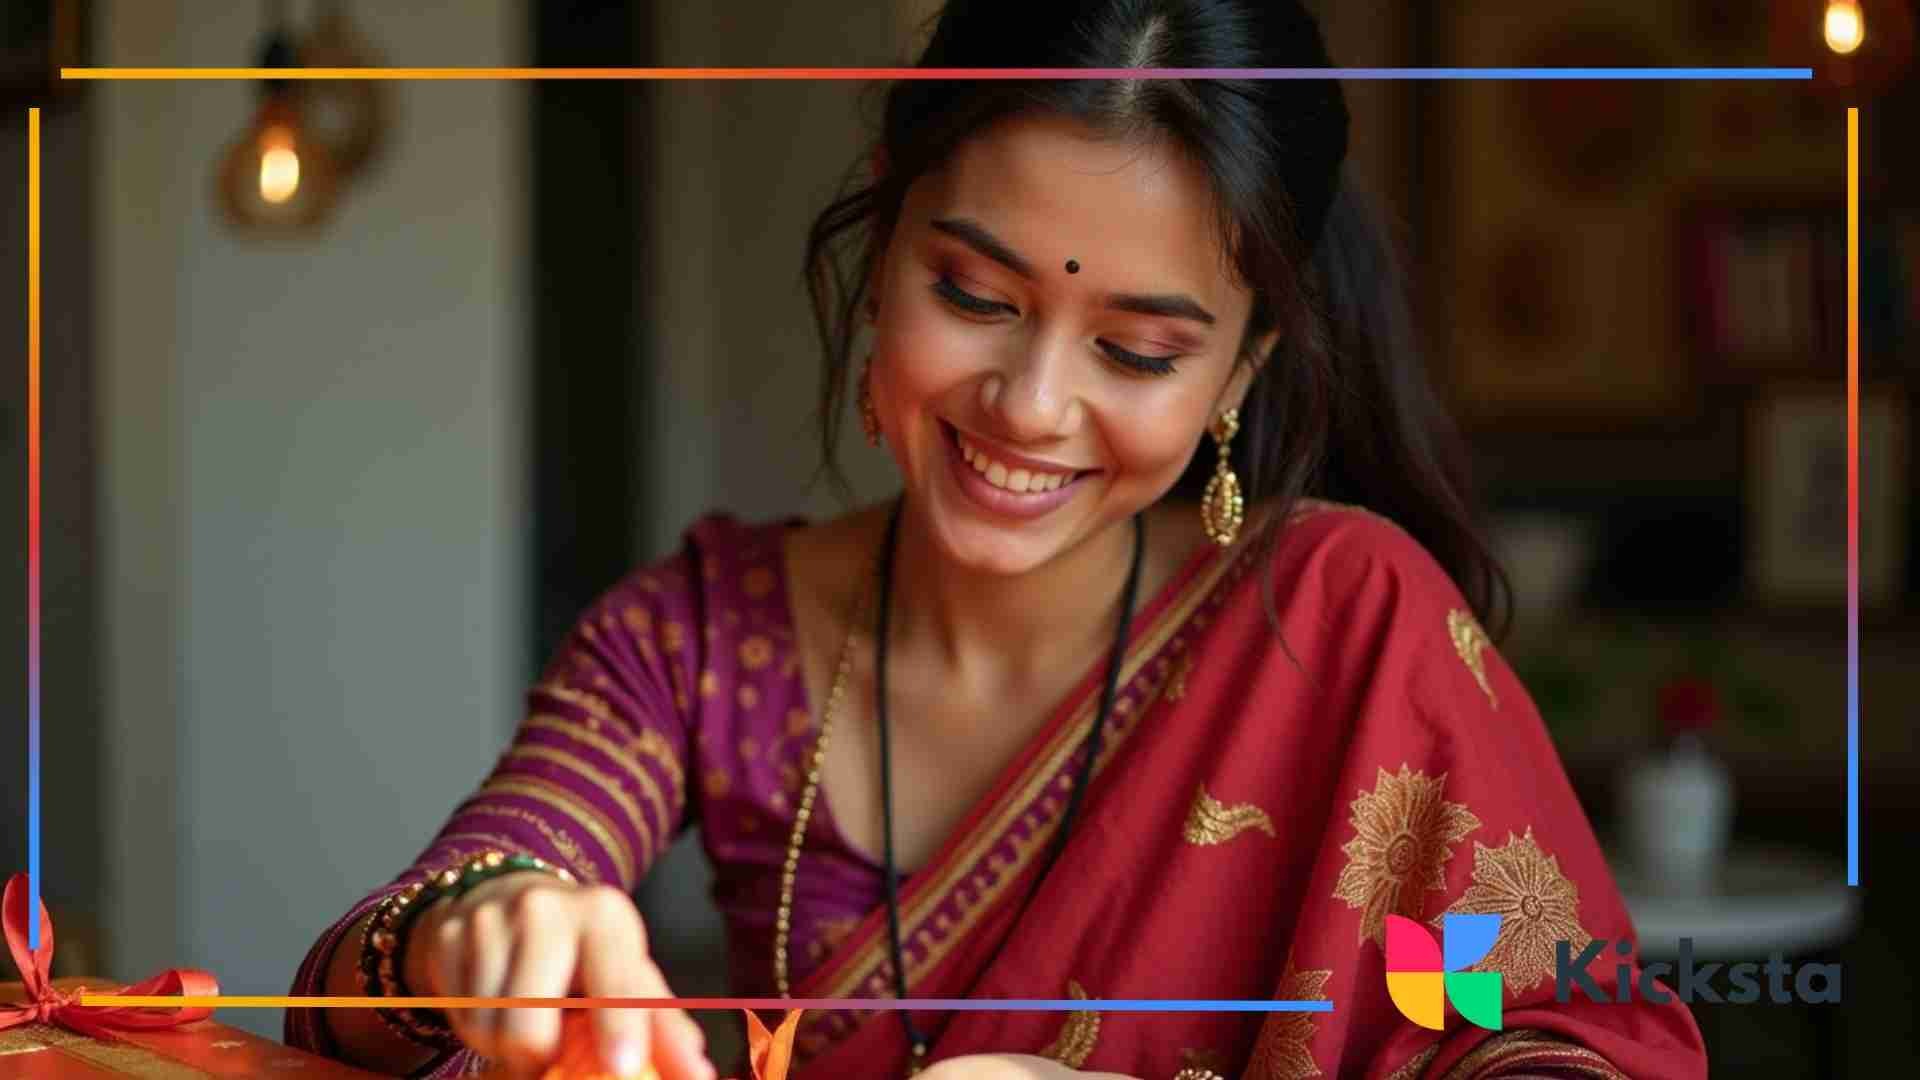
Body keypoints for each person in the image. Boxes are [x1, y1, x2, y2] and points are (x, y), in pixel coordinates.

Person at [287, 2, 1709, 1077]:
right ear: (883, 236)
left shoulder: (1342, 627)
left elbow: (1536, 1041)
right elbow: (341, 995)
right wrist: (475, 931)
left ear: (1243, 371)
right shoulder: (700, 638)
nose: (1031, 408)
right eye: (972, 293)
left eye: (1141, 352)